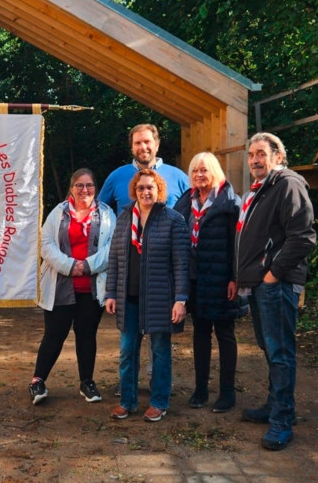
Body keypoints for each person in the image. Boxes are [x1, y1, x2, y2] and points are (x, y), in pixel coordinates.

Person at [235, 132, 316, 451]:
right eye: (251, 155)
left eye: (261, 154)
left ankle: (282, 420)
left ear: (278, 157)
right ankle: (276, 406)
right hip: (259, 284)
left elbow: (303, 237)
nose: (255, 160)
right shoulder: (261, 190)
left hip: (275, 284)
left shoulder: (287, 185)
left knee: (280, 351)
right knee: (271, 349)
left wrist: (272, 275)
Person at [105, 169, 190, 422]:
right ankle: (127, 401)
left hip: (160, 299)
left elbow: (182, 263)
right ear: (135, 190)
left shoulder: (172, 219)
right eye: (141, 188)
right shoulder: (124, 219)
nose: (145, 192)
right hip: (128, 298)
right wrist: (110, 292)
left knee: (161, 351)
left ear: (159, 189)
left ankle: (159, 402)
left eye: (150, 187)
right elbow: (115, 258)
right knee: (127, 351)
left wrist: (180, 299)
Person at [30, 169, 116, 405]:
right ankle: (37, 381)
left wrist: (87, 266)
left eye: (89, 185)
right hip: (60, 286)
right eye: (79, 185)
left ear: (95, 188)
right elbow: (45, 245)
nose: (84, 190)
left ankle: (86, 382)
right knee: (53, 335)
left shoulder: (107, 214)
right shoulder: (58, 213)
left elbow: (112, 248)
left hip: (91, 287)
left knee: (87, 335)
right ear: (71, 188)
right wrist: (69, 266)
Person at [174, 152, 246, 413]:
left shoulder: (230, 203)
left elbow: (238, 245)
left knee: (225, 333)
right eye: (195, 171)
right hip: (196, 279)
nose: (199, 175)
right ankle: (200, 388)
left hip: (221, 279)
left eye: (204, 170)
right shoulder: (185, 202)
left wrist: (234, 278)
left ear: (214, 172)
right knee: (201, 333)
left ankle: (227, 392)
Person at [98, 123, 190, 213]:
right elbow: (97, 212)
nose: (143, 147)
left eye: (147, 142)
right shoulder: (116, 177)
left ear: (157, 145)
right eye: (137, 143)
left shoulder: (178, 177)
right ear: (132, 147)